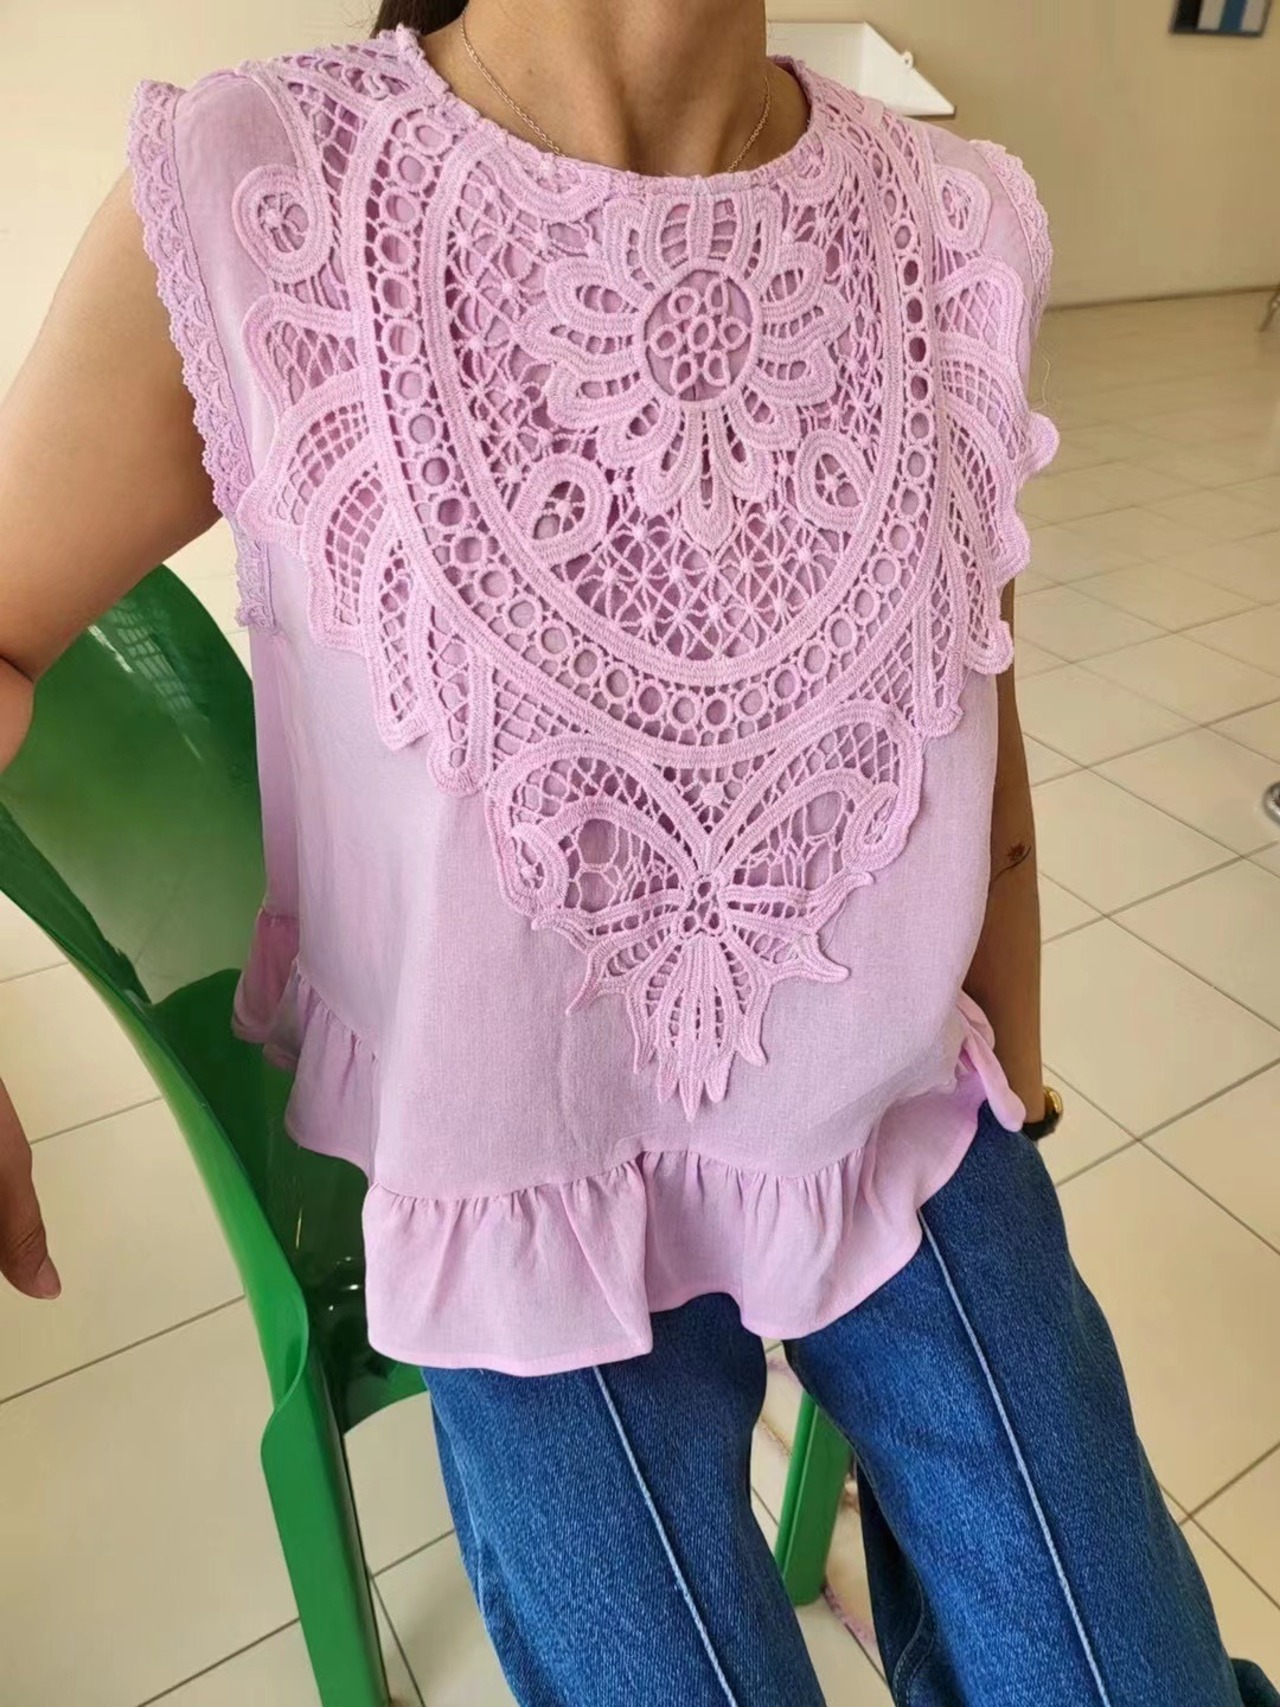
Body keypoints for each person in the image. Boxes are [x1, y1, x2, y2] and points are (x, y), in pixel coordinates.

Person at [0, 3, 1274, 1703]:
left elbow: (977, 728)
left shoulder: (950, 223)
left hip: (897, 1125)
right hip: (512, 1187)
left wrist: (1018, 1109)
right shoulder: (269, 193)